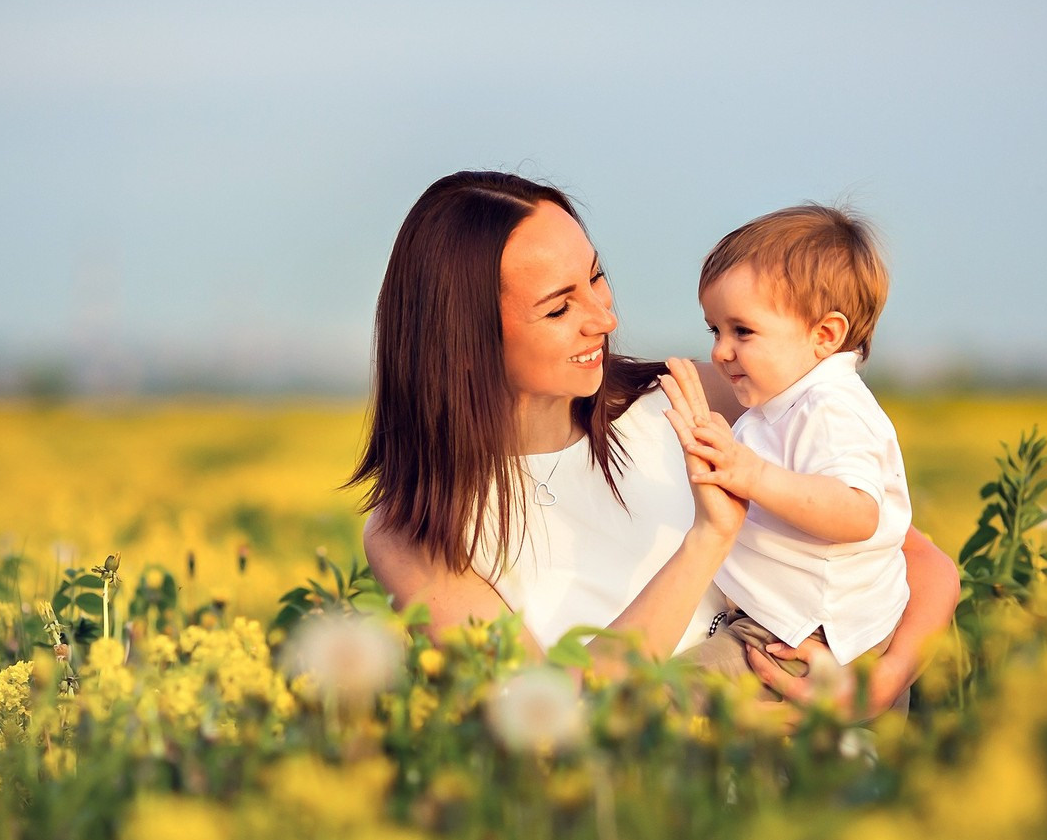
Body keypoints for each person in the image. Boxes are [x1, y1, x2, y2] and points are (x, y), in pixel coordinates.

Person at [353, 171, 958, 719]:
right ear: (466, 339)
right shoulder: (414, 530)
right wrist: (707, 539)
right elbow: (545, 718)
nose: (604, 319)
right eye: (560, 308)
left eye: (596, 278)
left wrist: (883, 683)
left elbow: (910, 556)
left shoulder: (693, 395)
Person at [674, 206, 912, 709]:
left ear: (824, 335)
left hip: (807, 636)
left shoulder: (829, 407)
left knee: (661, 697)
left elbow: (857, 512)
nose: (720, 351)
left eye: (742, 331)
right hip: (795, 623)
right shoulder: (783, 404)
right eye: (714, 330)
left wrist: (752, 474)